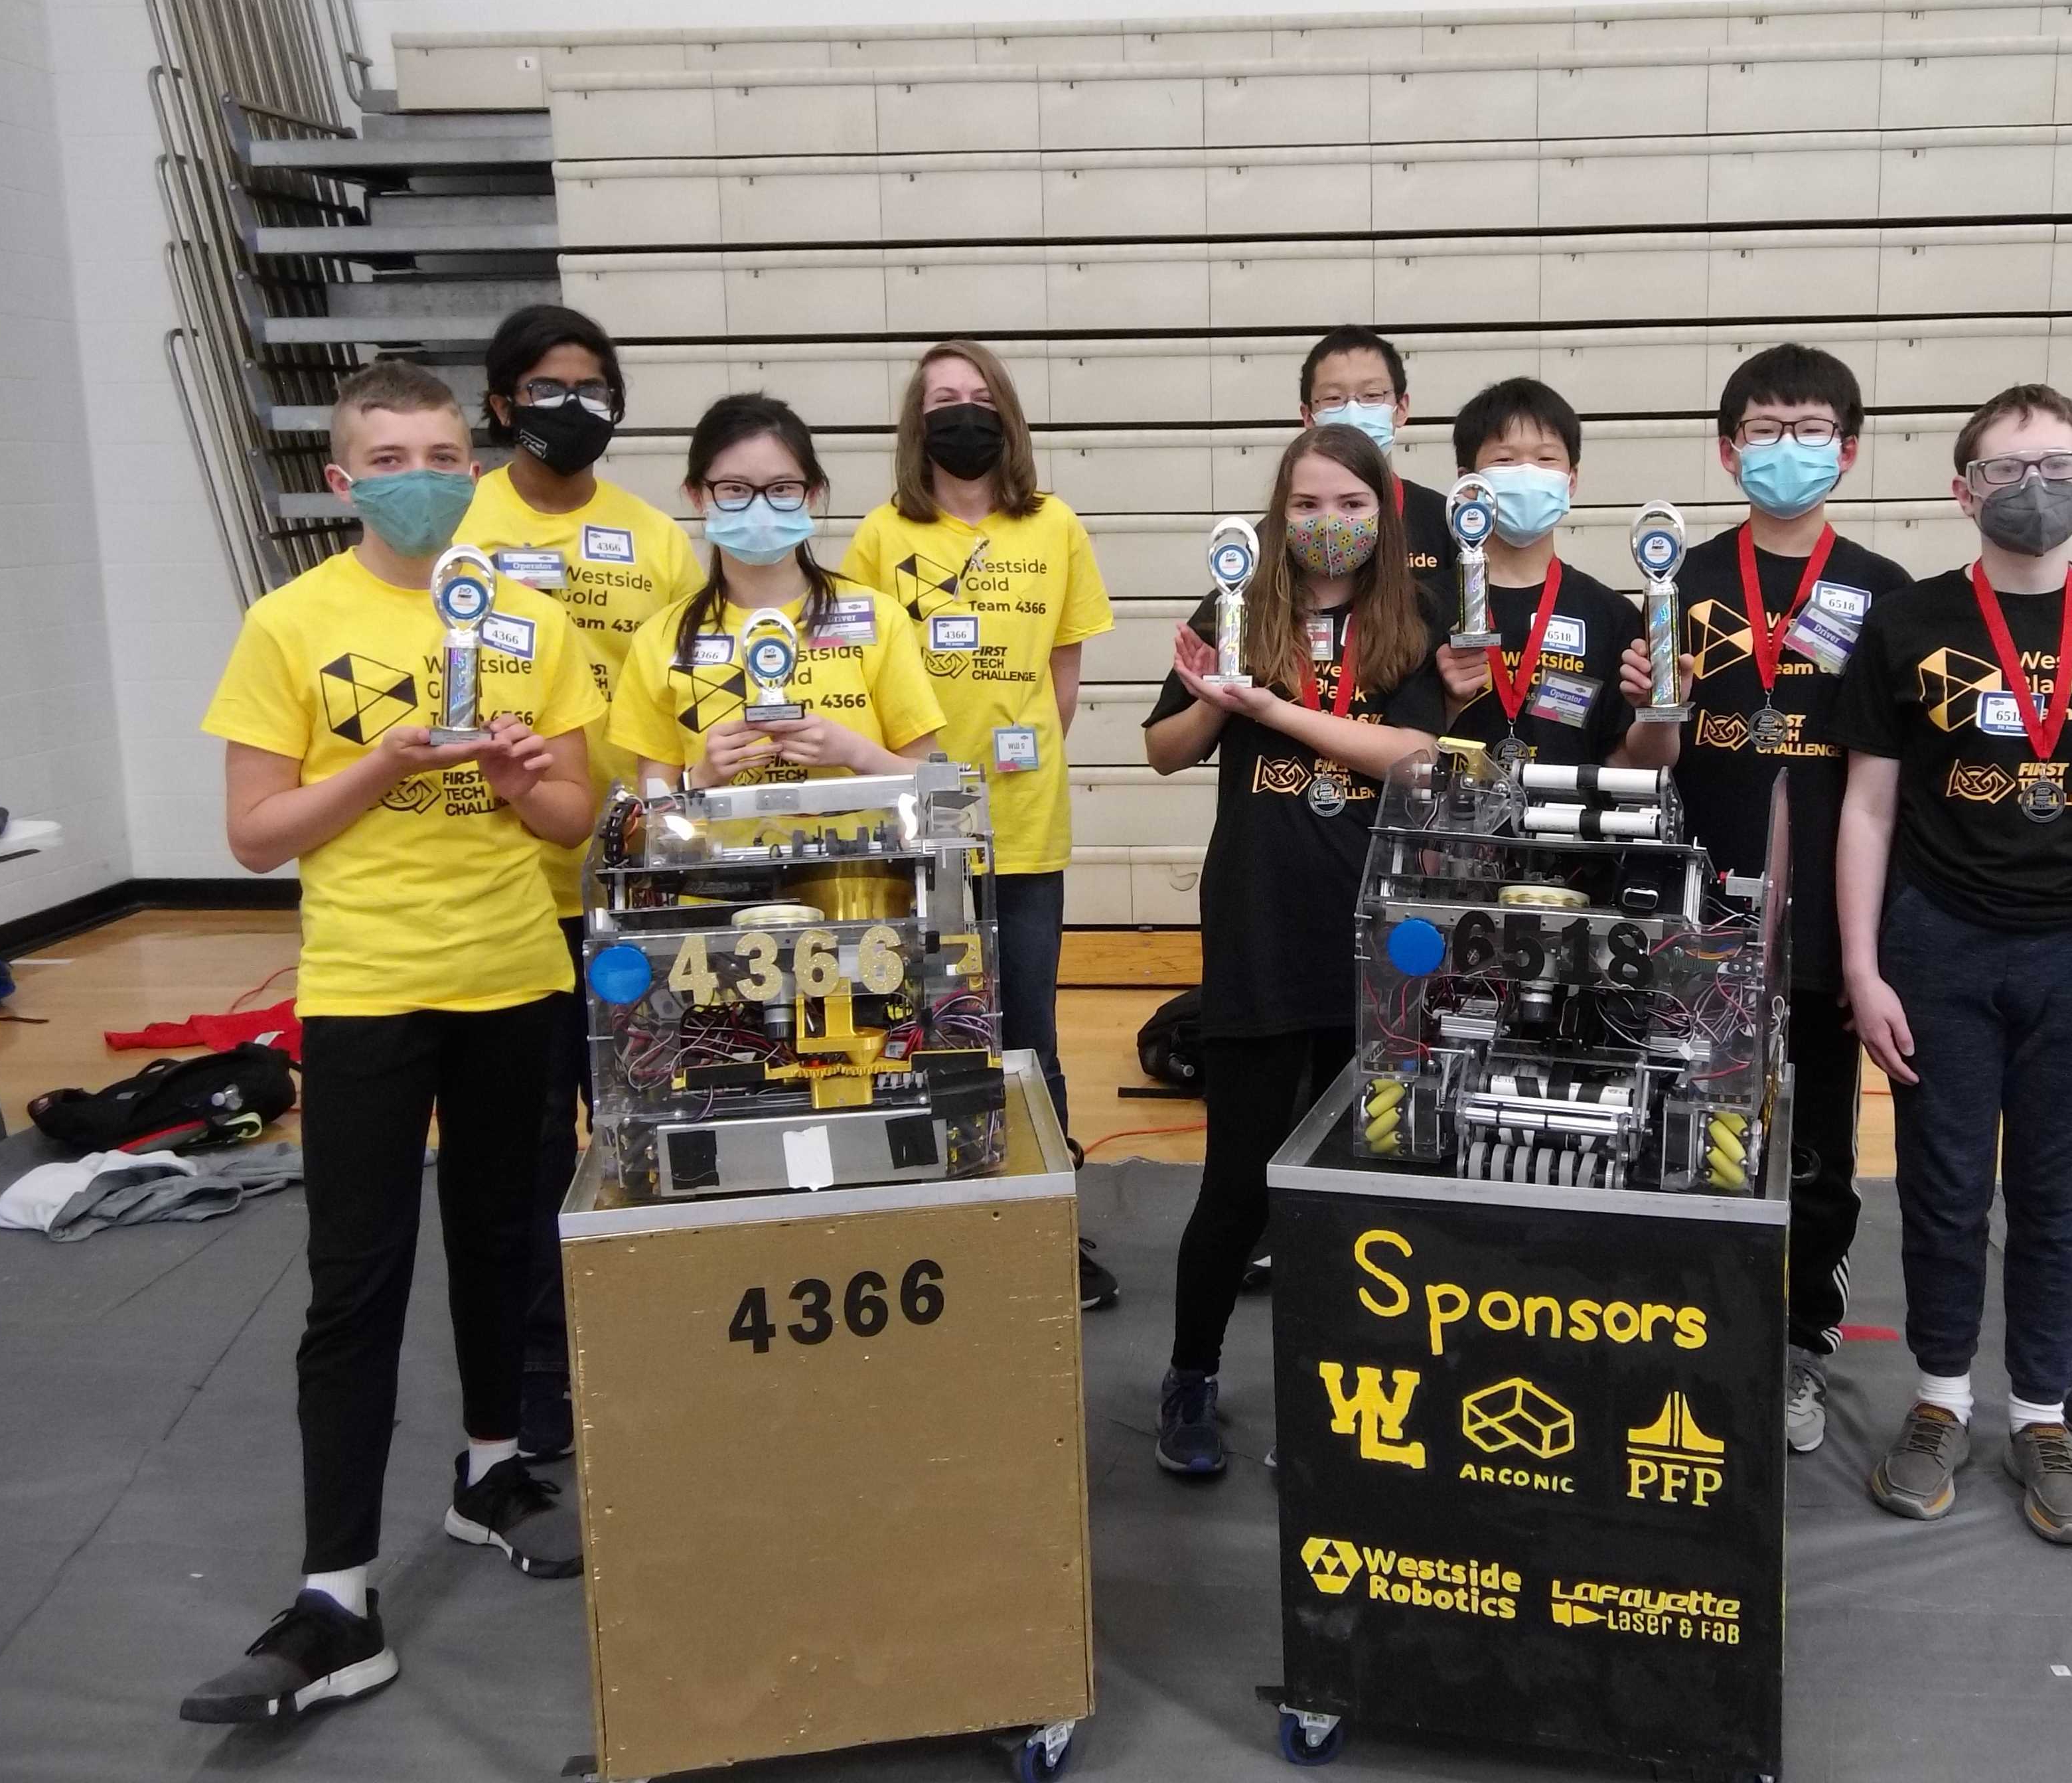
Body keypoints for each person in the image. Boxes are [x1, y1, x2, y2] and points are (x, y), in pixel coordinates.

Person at [185, 360, 605, 1723]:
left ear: (470, 463)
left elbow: (573, 823)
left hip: (510, 973)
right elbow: (255, 834)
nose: (420, 473)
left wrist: (524, 779)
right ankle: (335, 1594)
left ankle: (491, 1468)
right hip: (364, 985)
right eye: (390, 454)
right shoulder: (287, 621)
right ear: (341, 477)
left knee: (501, 1235)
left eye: (441, 450)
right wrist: (385, 763)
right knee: (352, 1282)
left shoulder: (528, 619)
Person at [1832, 382, 2072, 1548]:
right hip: (1938, 942)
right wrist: (1862, 964)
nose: (2033, 486)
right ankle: (1941, 1398)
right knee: (1943, 1190)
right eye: (2006, 466)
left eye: (2058, 464)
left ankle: (2041, 1414)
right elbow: (1868, 809)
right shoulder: (1908, 622)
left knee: (2058, 1195)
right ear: (1962, 489)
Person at [1144, 423, 1446, 1478]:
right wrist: (1216, 701)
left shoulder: (1411, 620)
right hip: (1260, 930)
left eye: (1350, 506)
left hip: (1373, 938)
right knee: (1239, 1182)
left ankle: (1343, 1388)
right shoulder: (1235, 608)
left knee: (1357, 1185)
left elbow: (1413, 758)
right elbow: (1163, 750)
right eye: (1308, 506)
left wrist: (1270, 706)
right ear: (1281, 516)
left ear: (1383, 515)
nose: (1329, 525)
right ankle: (1190, 1377)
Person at [1628, 345, 1911, 1458]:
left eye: (1809, 429)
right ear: (1727, 445)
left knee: (1818, 1152)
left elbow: (1897, 785)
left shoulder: (1890, 594)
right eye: (1765, 427)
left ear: (1845, 448)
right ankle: (1693, 1326)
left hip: (1831, 922)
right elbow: (1645, 756)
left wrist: (1874, 940)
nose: (1786, 447)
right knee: (1686, 1126)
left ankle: (1800, 1345)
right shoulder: (1675, 581)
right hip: (1695, 915)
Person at [456, 303, 702, 1462]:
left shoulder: (654, 538)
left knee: (642, 1116)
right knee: (529, 1141)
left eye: (593, 385)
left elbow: (676, 701)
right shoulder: (460, 522)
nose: (572, 405)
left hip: (630, 873)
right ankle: (544, 1363)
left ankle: (653, 1335)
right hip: (508, 885)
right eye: (547, 386)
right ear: (502, 402)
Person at [840, 340, 1116, 1308]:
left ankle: (1051, 1226)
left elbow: (1065, 677)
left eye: (977, 395)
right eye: (941, 400)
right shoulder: (880, 534)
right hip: (917, 814)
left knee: (1029, 1028)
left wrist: (1018, 752)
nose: (962, 412)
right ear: (918, 425)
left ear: (1007, 413)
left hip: (1024, 819)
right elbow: (859, 675)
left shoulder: (1055, 525)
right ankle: (941, 1217)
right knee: (926, 1020)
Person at [608, 392, 945, 791]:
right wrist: (699, 779)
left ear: (813, 493)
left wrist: (857, 754)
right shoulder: (661, 640)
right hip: (715, 853)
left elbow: (933, 783)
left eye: (782, 488)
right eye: (734, 489)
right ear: (697, 495)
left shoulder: (879, 618)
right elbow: (649, 817)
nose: (760, 506)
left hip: (867, 854)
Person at [1437, 376, 1680, 771]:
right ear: (1468, 485)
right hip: (1455, 827)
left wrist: (1661, 710)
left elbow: (1630, 766)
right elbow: (1402, 751)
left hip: (1567, 829)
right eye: (1505, 460)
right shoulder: (1425, 605)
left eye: (1546, 459)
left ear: (1571, 481)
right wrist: (1446, 705)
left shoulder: (1610, 614)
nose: (1527, 473)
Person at [1299, 325, 1453, 589]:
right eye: (1334, 398)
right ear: (1308, 417)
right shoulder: (1286, 528)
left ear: (1401, 408)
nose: (1354, 410)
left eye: (1371, 396)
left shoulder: (1444, 523)